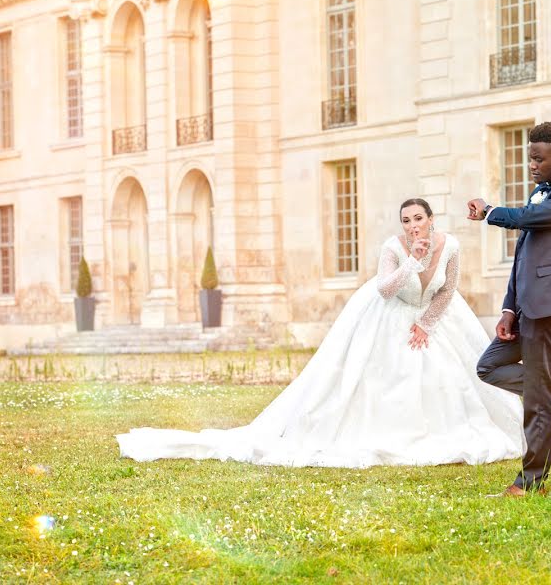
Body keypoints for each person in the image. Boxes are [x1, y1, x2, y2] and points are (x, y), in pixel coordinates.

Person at [117, 198, 524, 468]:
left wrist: (426, 324)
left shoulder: (449, 245)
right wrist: (413, 263)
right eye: (406, 220)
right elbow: (384, 289)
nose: (413, 225)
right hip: (388, 315)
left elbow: (450, 289)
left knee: (449, 378)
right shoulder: (393, 247)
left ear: (431, 220)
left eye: (419, 219)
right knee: (381, 380)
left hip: (431, 319)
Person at [467, 121, 551, 496]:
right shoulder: (543, 190)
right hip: (525, 307)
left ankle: (530, 483)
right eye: (530, 159)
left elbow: (531, 219)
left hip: (549, 305)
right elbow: (523, 256)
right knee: (489, 366)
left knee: (535, 402)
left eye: (539, 159)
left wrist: (491, 211)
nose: (532, 166)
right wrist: (509, 308)